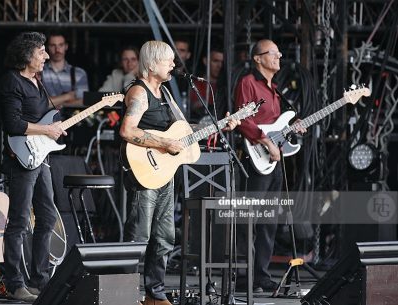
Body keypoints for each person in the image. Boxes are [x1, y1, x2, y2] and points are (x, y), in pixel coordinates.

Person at [120, 40, 239, 305]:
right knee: (140, 234)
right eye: (168, 61)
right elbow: (127, 131)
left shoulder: (167, 94)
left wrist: (220, 127)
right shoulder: (139, 93)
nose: (174, 65)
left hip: (164, 172)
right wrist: (163, 143)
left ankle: (155, 293)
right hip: (144, 170)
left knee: (165, 236)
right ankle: (125, 293)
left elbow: (181, 132)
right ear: (152, 64)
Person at [234, 39, 306, 293]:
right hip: (255, 158)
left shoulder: (274, 90)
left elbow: (276, 126)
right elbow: (242, 119)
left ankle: (261, 276)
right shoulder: (248, 83)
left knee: (269, 221)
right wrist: (266, 142)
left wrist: (293, 128)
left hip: (274, 161)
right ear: (257, 58)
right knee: (248, 221)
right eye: (273, 53)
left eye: (279, 52)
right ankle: (244, 278)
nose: (279, 56)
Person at [0, 32, 66, 302]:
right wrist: (46, 129)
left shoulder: (37, 81)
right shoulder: (12, 81)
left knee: (48, 217)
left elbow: (43, 119)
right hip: (22, 158)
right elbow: (13, 123)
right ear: (27, 55)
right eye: (41, 51)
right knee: (18, 222)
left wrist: (56, 128)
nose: (47, 56)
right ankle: (15, 284)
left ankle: (41, 280)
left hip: (41, 158)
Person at [41, 32, 89, 107]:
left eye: (61, 45)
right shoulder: (39, 72)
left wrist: (55, 102)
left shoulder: (79, 74)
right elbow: (37, 104)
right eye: (53, 45)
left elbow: (83, 102)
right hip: (45, 118)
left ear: (66, 46)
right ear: (47, 47)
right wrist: (67, 97)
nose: (57, 50)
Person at [189, 48, 224, 120]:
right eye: (215, 61)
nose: (219, 66)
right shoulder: (195, 85)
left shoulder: (225, 87)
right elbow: (195, 107)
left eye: (222, 62)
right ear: (205, 61)